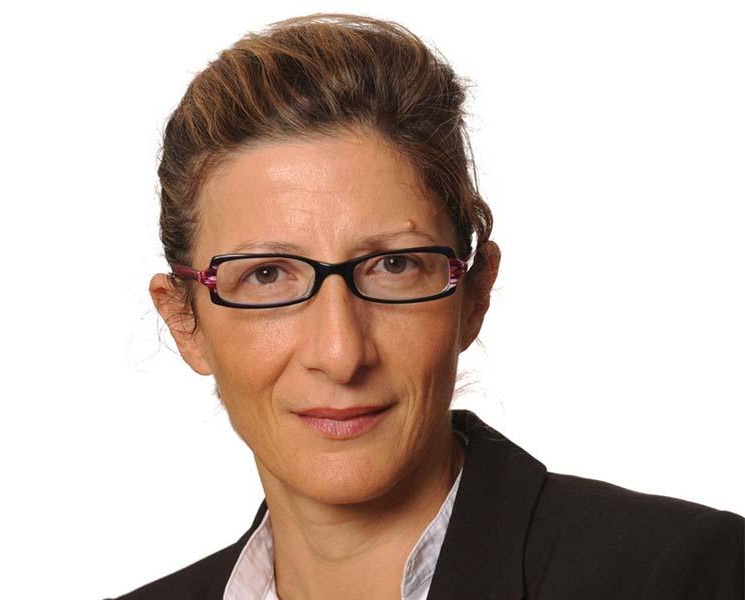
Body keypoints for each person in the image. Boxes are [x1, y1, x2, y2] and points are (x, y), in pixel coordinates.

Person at [110, 13, 743, 600]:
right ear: (184, 320)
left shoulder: (687, 575)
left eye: (394, 265)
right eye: (267, 275)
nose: (341, 354)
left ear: (475, 294)